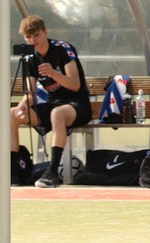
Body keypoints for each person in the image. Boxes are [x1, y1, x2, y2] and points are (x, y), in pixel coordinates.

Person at [9, 15, 91, 188]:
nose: (33, 40)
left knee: (57, 113)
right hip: (54, 104)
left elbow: (75, 85)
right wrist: (23, 104)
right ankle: (13, 173)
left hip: (77, 105)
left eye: (36, 35)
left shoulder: (63, 49)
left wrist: (53, 73)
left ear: (45, 33)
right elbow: (30, 93)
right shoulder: (29, 58)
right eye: (28, 37)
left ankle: (52, 173)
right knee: (12, 114)